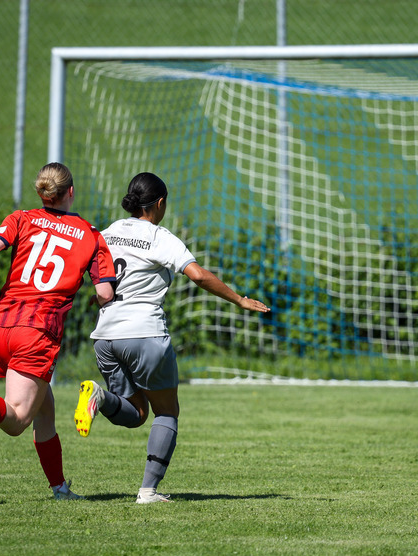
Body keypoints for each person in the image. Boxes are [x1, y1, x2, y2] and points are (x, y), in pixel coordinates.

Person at [72, 172, 271, 504]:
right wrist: (239, 299)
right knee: (166, 413)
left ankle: (99, 397)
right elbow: (198, 275)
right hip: (144, 333)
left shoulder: (107, 233)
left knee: (137, 413)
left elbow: (98, 276)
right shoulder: (159, 237)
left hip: (104, 337)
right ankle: (148, 491)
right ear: (160, 203)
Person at [0, 162, 116, 499]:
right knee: (18, 419)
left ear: (42, 192)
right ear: (71, 192)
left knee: (44, 409)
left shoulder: (21, 218)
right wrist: (95, 296)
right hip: (36, 331)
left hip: (1, 323)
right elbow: (106, 292)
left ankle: (60, 488)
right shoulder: (90, 234)